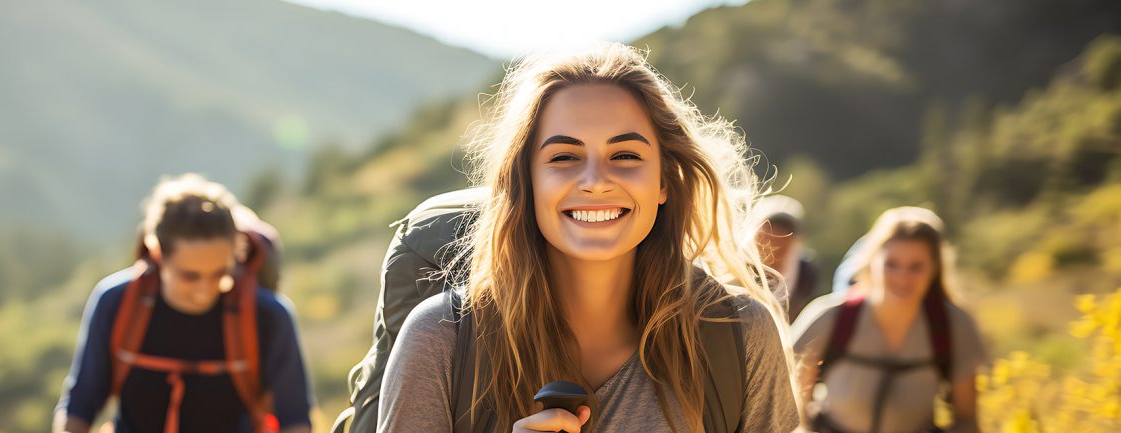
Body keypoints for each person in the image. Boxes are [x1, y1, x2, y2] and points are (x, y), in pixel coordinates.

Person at [378, 43, 798, 433]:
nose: (596, 181)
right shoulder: (440, 340)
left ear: (664, 181)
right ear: (526, 182)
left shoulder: (739, 334)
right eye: (564, 157)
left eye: (626, 155)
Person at [52, 173, 312, 433]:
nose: (205, 290)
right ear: (157, 254)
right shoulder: (116, 302)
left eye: (220, 274)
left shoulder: (267, 316)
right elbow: (80, 404)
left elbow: (295, 418)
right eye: (190, 276)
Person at [791, 207, 986, 433]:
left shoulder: (954, 325)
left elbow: (967, 421)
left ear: (934, 269)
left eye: (916, 267)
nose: (902, 278)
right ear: (872, 261)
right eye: (891, 264)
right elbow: (789, 412)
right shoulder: (829, 316)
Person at [751, 195, 821, 321]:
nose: (773, 257)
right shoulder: (737, 269)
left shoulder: (805, 274)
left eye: (782, 250)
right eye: (767, 247)